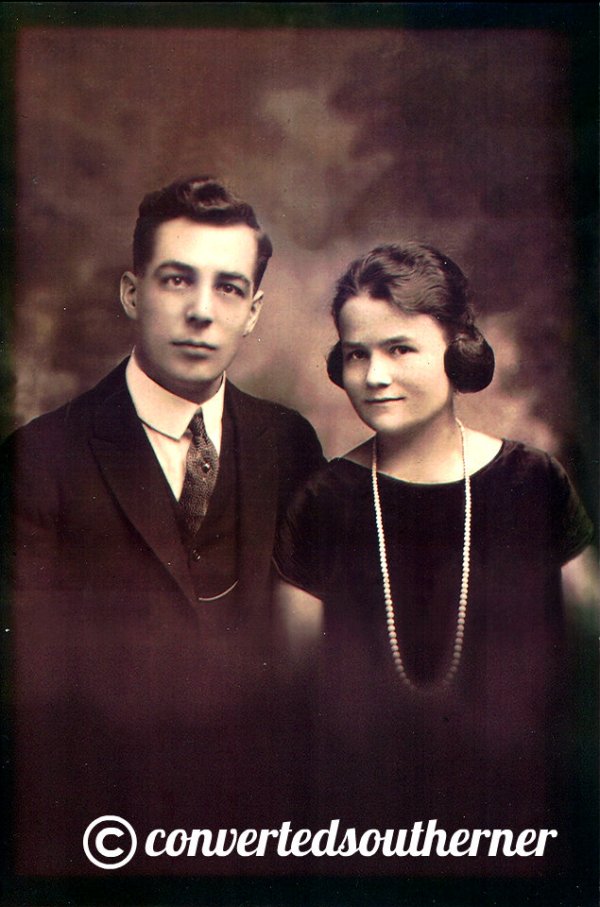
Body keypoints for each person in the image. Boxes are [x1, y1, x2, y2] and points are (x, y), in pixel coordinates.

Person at [4, 175, 324, 874]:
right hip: (103, 834)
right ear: (131, 292)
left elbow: (311, 672)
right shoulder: (41, 457)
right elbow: (30, 688)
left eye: (229, 288)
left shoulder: (290, 444)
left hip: (262, 836)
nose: (202, 312)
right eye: (177, 280)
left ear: (254, 311)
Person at [274, 242, 595, 876]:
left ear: (459, 351)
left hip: (525, 824)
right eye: (356, 353)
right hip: (362, 832)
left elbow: (590, 658)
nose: (373, 376)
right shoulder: (320, 501)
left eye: (400, 349)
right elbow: (290, 690)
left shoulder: (534, 482)